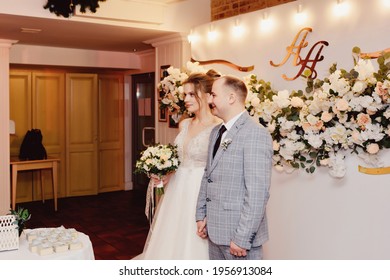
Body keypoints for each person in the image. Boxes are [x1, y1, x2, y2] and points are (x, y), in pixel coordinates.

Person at [135, 69, 221, 259]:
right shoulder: (184, 124)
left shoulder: (219, 127)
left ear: (208, 96)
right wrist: (165, 172)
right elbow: (180, 159)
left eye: (192, 94)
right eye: (185, 95)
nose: (186, 99)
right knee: (171, 236)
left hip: (200, 190)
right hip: (176, 189)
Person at [195, 75, 273, 260]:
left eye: (213, 95)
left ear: (231, 98)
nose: (210, 100)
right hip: (215, 231)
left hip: (238, 239)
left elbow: (257, 193)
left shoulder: (255, 134)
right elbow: (208, 175)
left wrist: (242, 238)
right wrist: (201, 215)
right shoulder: (216, 132)